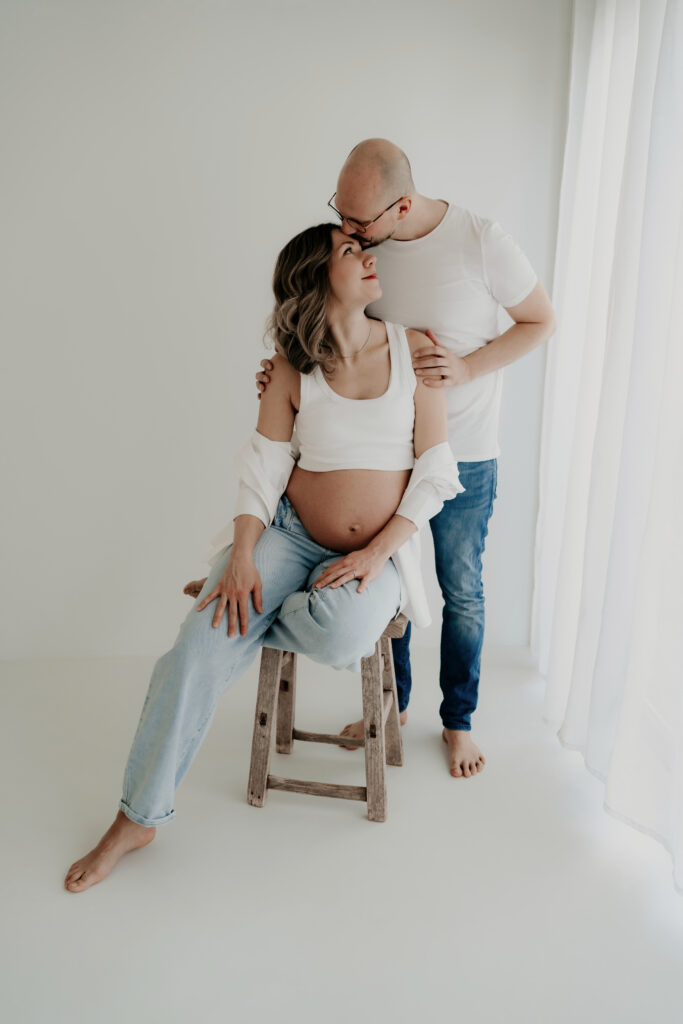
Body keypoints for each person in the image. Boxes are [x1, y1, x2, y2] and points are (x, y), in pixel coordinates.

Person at [63, 223, 462, 893]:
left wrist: (374, 553)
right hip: (289, 535)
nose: (366, 257)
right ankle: (137, 816)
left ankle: (246, 607)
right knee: (194, 651)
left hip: (377, 554)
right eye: (347, 250)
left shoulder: (414, 349)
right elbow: (261, 469)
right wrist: (244, 555)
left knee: (339, 635)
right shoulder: (289, 366)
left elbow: (435, 471)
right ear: (314, 276)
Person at [257, 139, 557, 779]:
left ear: (402, 204)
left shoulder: (481, 241)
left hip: (465, 456)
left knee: (461, 589)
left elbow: (540, 321)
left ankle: (458, 723)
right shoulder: (364, 254)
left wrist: (467, 367)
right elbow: (338, 330)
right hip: (392, 458)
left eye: (360, 222)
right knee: (396, 593)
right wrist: (287, 375)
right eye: (342, 213)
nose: (348, 232)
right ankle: (397, 707)